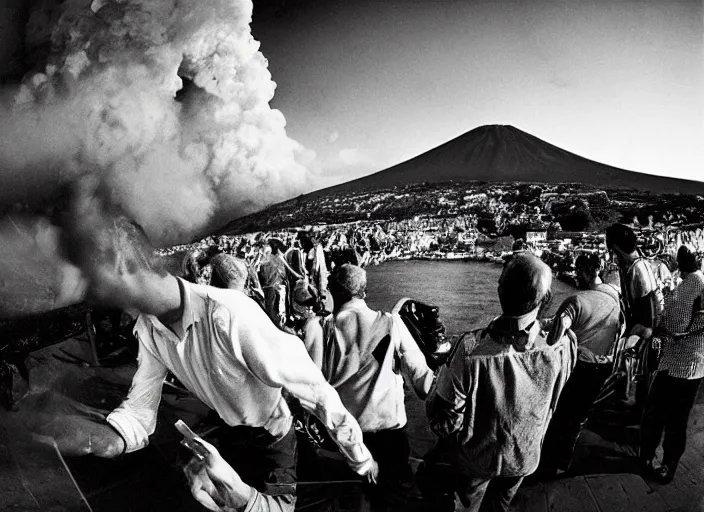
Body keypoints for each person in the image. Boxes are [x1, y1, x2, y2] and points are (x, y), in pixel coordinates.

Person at [59, 203, 378, 512]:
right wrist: (109, 439)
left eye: (88, 275)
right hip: (228, 429)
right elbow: (143, 405)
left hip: (271, 439)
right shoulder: (149, 327)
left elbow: (320, 395)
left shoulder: (231, 317)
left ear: (119, 262)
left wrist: (362, 461)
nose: (84, 289)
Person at [420, 254, 578, 512]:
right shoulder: (562, 346)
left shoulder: (469, 350)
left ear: (500, 291)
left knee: (466, 506)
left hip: (476, 460)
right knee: (501, 506)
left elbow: (447, 421)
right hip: (523, 456)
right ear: (546, 298)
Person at [301, 264, 434, 508]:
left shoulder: (323, 329)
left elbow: (313, 388)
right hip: (390, 439)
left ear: (335, 292)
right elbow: (422, 380)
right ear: (364, 292)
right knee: (395, 502)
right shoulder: (392, 324)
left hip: (345, 442)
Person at [538, 253, 624, 476]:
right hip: (603, 366)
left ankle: (548, 461)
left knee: (560, 414)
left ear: (587, 272)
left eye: (578, 271)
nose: (575, 275)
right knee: (578, 417)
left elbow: (555, 336)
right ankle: (562, 462)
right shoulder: (614, 297)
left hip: (577, 367)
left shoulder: (576, 300)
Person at [640, 245, 704, 483]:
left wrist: (668, 324)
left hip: (686, 363)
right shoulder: (693, 281)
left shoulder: (694, 284)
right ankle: (657, 459)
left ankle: (663, 462)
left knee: (668, 415)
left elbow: (677, 325)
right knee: (666, 414)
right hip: (680, 360)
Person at [606, 223, 660, 411]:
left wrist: (631, 336)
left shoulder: (638, 269)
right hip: (641, 325)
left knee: (622, 355)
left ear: (615, 248)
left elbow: (648, 311)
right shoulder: (631, 267)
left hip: (646, 328)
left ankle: (636, 408)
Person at [259, 238, 290, 330]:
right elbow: (284, 275)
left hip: (267, 290)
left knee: (269, 314)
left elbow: (262, 276)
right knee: (278, 316)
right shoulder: (279, 260)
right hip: (278, 290)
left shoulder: (264, 260)